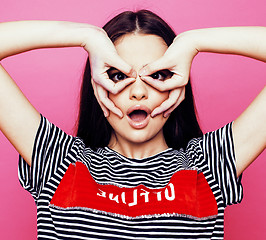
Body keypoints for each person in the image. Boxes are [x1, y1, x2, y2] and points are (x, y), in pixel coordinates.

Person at [0, 9, 265, 240]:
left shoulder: (209, 166)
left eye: (158, 75)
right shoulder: (59, 161)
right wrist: (86, 36)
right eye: (118, 75)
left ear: (178, 83)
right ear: (97, 82)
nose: (138, 92)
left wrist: (193, 42)